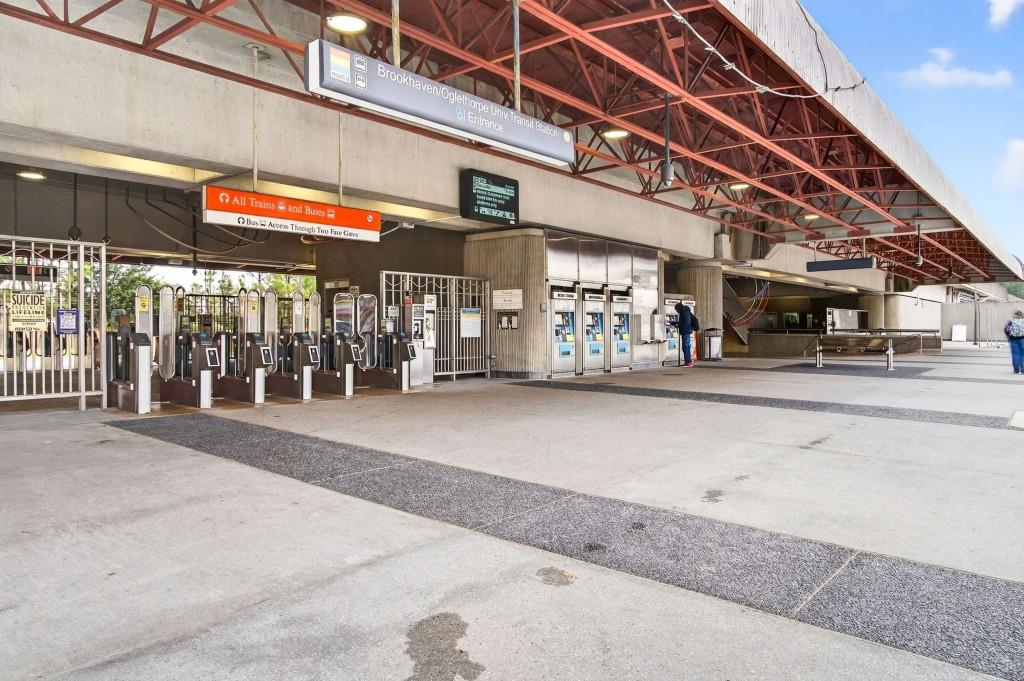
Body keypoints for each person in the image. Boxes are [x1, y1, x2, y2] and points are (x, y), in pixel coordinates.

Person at [674, 302, 700, 368]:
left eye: (676, 309)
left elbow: (686, 323)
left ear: (679, 308)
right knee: (686, 347)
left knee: (686, 347)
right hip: (686, 331)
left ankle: (688, 362)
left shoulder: (684, 312)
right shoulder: (685, 311)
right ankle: (687, 361)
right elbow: (683, 322)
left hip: (686, 332)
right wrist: (673, 323)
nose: (676, 311)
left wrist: (678, 325)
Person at [1005, 310, 1024, 375]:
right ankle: (1023, 368)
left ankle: (1016, 369)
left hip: (1013, 339)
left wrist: (1008, 336)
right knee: (1023, 354)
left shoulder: (1011, 321)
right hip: (1022, 339)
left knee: (1015, 354)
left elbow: (1005, 329)